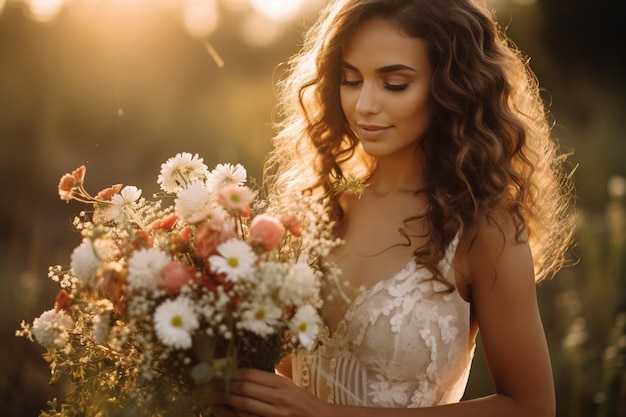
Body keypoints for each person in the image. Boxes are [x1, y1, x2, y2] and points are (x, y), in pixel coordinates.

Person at [213, 0, 575, 415]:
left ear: (452, 86)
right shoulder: (320, 205)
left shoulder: (482, 227)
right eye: (351, 80)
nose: (364, 104)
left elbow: (530, 407)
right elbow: (294, 373)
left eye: (395, 84)